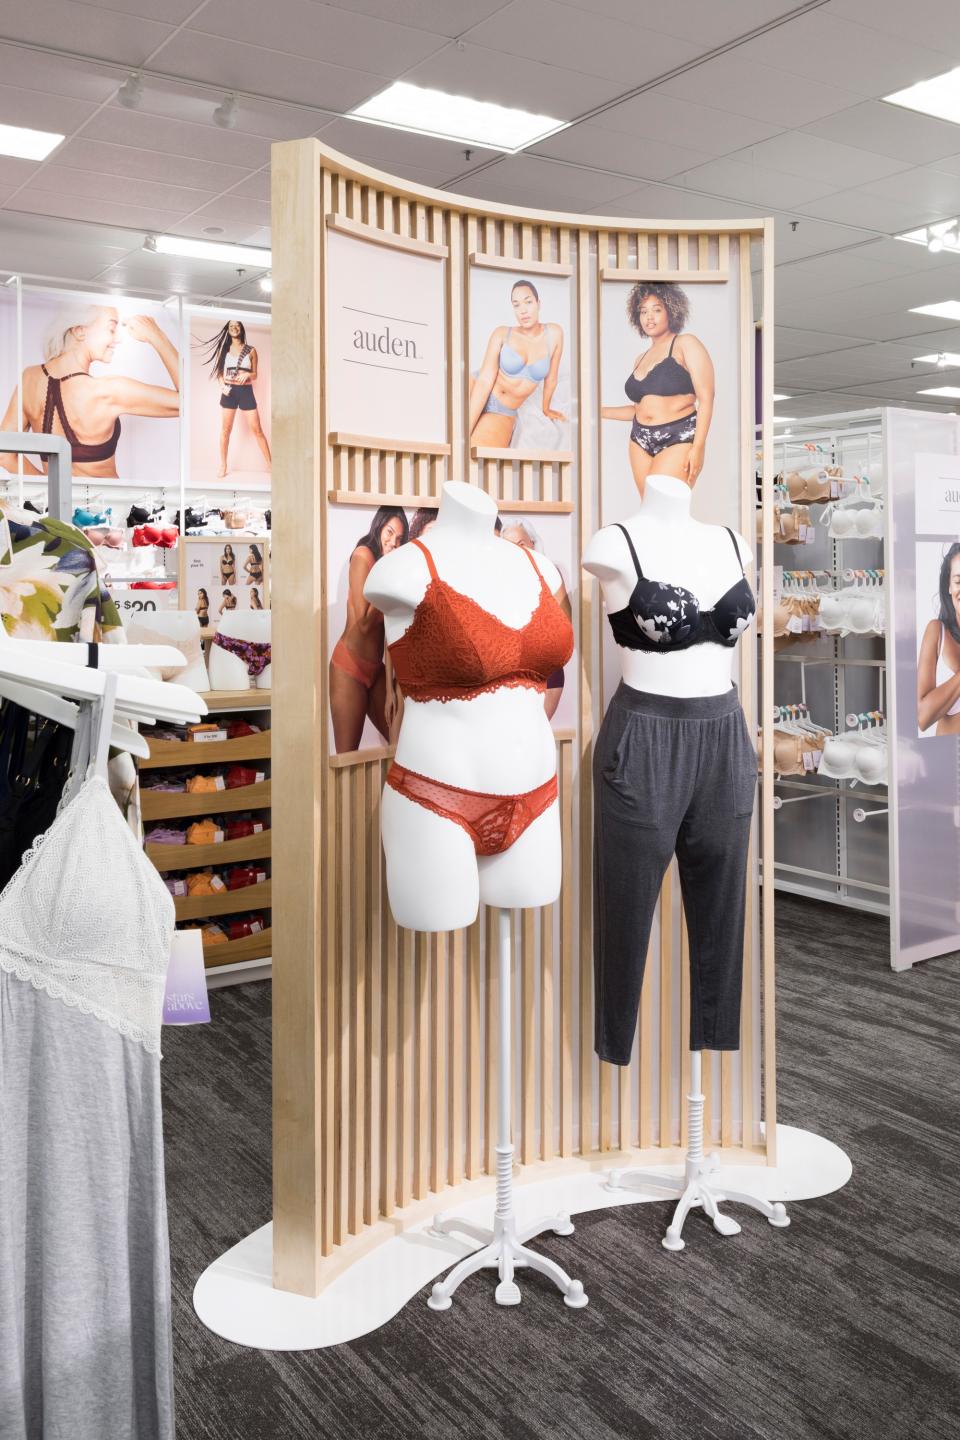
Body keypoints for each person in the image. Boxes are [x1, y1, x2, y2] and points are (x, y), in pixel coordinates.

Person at [1, 304, 179, 479]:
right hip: (108, 506)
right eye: (111, 329)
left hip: (57, 508)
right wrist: (156, 336)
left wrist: (52, 493)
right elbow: (186, 403)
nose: (118, 339)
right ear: (80, 331)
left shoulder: (29, 378)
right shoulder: (110, 391)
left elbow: (4, 454)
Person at [601, 282, 714, 498]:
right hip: (639, 439)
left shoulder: (685, 344)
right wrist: (597, 410)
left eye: (656, 310)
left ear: (671, 310)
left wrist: (698, 447)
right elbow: (639, 409)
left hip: (678, 436)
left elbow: (707, 398)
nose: (649, 317)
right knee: (648, 513)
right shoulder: (640, 358)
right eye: (643, 311)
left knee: (662, 508)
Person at [329, 506, 408, 754]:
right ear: (379, 526)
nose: (393, 542)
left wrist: (391, 688)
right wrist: (386, 579)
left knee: (402, 742)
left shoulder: (391, 568)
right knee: (347, 756)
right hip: (348, 667)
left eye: (399, 538)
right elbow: (363, 623)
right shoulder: (363, 555)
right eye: (389, 532)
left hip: (376, 670)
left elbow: (391, 632)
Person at [469, 280, 565, 448]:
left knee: (477, 452)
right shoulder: (502, 333)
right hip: (477, 386)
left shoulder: (554, 334)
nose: (523, 310)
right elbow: (484, 381)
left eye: (528, 302)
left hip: (502, 409)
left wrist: (546, 408)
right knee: (448, 434)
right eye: (516, 305)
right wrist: (464, 430)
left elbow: (551, 378)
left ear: (538, 303)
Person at [498, 516, 570, 721]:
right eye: (510, 546)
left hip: (546, 672)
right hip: (508, 676)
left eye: (521, 544)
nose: (518, 551)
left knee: (538, 739)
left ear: (533, 542)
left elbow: (565, 625)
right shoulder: (499, 580)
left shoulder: (549, 573)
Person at [199, 319, 271, 478]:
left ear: (241, 329)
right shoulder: (223, 350)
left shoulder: (251, 350)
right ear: (228, 330)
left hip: (246, 391)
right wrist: (222, 386)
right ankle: (223, 464)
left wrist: (247, 374)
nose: (234, 328)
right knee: (225, 430)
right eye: (231, 326)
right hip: (229, 392)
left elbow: (255, 374)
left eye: (237, 326)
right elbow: (219, 373)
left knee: (257, 429)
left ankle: (270, 465)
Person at [918, 543, 960, 735]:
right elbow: (923, 719)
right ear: (949, 586)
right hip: (948, 757)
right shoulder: (937, 631)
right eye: (959, 581)